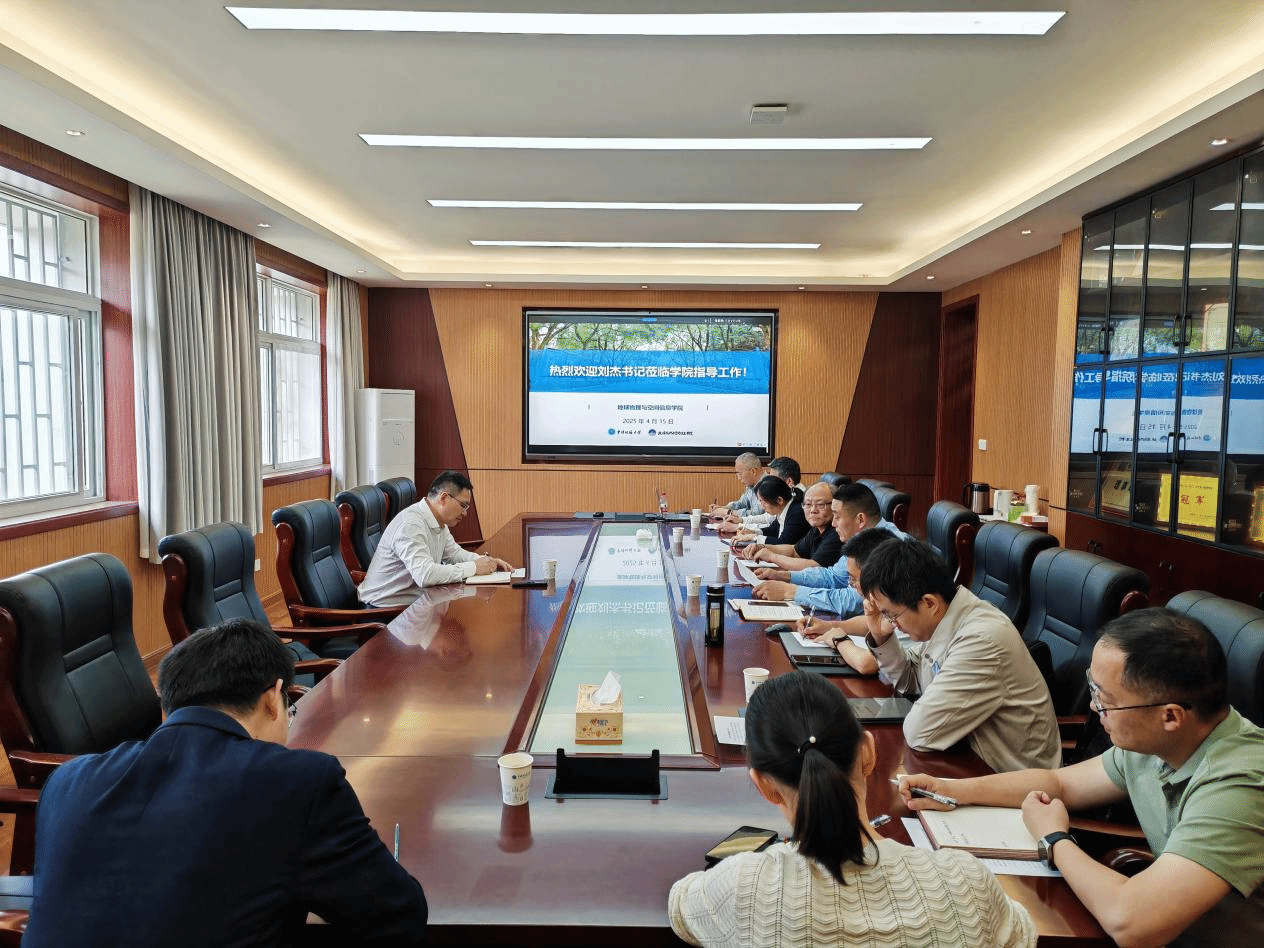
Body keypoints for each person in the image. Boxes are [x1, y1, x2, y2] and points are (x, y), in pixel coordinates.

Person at [23, 618, 428, 947]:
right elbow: (396, 915)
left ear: (169, 702)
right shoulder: (298, 781)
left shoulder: (67, 781)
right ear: (273, 697)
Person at [900, 608, 1264, 948]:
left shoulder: (1240, 785)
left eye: (1106, 700)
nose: (1093, 706)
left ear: (1170, 716)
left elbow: (1132, 921)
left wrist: (1054, 838)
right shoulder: (1159, 739)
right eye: (1094, 689)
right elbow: (1061, 784)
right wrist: (954, 790)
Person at [668, 671, 1035, 948]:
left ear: (765, 786)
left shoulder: (742, 887)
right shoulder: (966, 883)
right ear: (869, 752)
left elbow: (681, 903)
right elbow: (1020, 930)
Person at [860, 539, 1060, 772]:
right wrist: (881, 637)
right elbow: (911, 681)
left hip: (1014, 780)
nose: (892, 624)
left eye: (892, 615)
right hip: (970, 761)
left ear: (929, 603)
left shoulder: (981, 640)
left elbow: (920, 732)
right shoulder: (946, 618)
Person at [358, 469, 513, 606]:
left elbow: (454, 554)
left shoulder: (438, 520)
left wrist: (486, 562)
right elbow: (425, 575)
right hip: (383, 612)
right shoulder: (411, 524)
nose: (465, 513)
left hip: (413, 605)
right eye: (463, 506)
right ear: (444, 498)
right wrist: (474, 567)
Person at [751, 482, 904, 614]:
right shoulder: (862, 539)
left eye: (837, 516)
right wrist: (785, 576)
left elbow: (852, 602)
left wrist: (790, 591)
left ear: (860, 519)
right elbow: (833, 577)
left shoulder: (886, 547)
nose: (833, 524)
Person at [797, 527, 904, 675]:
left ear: (874, 573)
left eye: (853, 579)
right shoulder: (889, 597)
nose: (851, 584)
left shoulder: (904, 606)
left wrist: (839, 640)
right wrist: (829, 626)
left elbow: (867, 664)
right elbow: (874, 622)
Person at [741, 481, 842, 570]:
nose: (813, 510)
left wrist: (772, 557)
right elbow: (794, 551)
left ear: (835, 505)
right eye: (808, 504)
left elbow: (814, 566)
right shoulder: (816, 529)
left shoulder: (838, 532)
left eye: (820, 505)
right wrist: (761, 547)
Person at [733, 475, 808, 548]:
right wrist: (753, 532)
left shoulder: (796, 513)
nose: (761, 506)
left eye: (763, 502)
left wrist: (755, 538)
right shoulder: (784, 508)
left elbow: (783, 544)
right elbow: (773, 530)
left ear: (779, 500)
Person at [710, 452, 766, 522]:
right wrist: (724, 507)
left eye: (740, 474)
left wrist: (729, 512)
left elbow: (757, 514)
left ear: (753, 471)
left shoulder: (768, 485)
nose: (739, 478)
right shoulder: (751, 484)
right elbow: (741, 503)